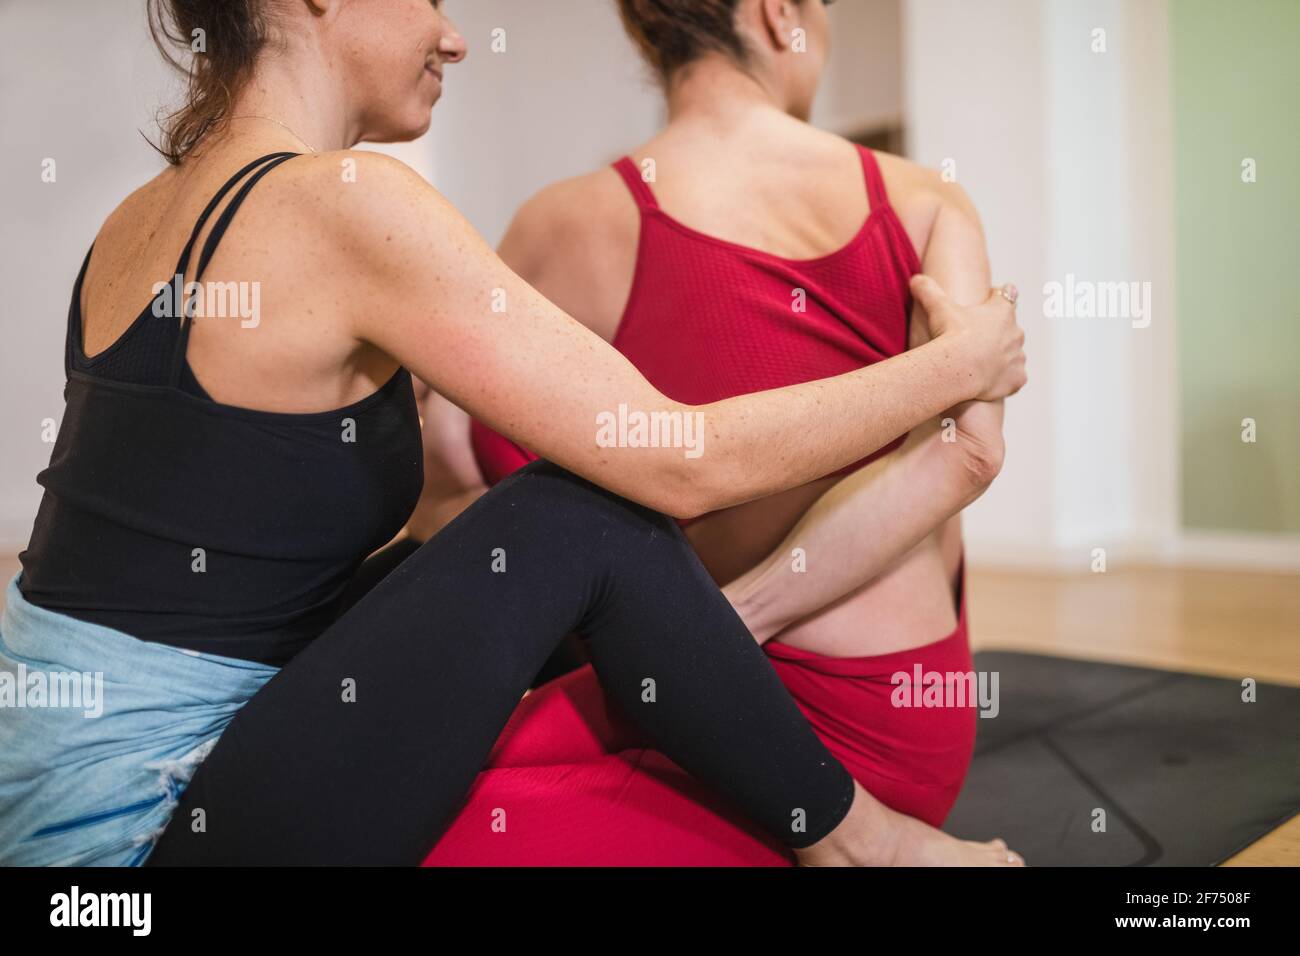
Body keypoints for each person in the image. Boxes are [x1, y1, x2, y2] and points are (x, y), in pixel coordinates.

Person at [421, 0, 1021, 865]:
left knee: (399, 805)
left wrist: (713, 624)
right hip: (895, 720)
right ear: (782, 13)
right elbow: (969, 452)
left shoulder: (567, 222)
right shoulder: (931, 203)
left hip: (711, 703)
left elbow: (453, 469)